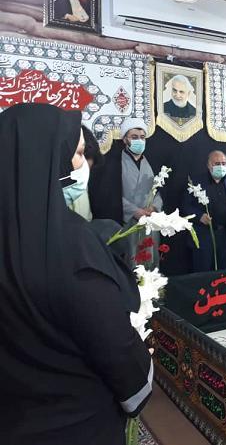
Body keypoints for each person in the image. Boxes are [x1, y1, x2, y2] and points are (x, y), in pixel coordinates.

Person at [0, 103, 152, 445]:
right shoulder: (71, 245)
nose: (84, 166)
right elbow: (113, 346)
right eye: (79, 153)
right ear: (47, 158)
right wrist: (140, 375)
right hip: (77, 425)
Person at [89, 118, 163, 266]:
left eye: (142, 137)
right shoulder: (114, 164)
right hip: (127, 223)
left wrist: (154, 207)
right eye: (134, 137)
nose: (139, 141)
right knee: (131, 261)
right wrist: (135, 211)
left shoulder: (151, 163)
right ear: (124, 139)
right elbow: (111, 196)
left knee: (150, 262)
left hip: (150, 221)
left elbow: (157, 191)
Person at [183, 150, 226, 271]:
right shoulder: (195, 183)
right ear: (209, 165)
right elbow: (186, 206)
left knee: (225, 272)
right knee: (202, 273)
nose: (221, 166)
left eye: (223, 163)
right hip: (203, 236)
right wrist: (200, 216)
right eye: (217, 163)